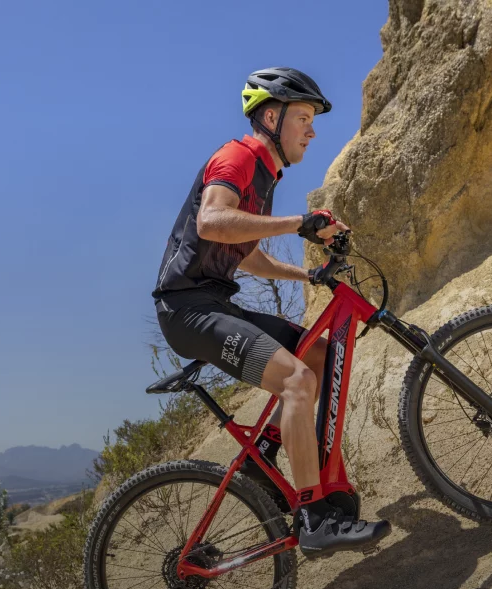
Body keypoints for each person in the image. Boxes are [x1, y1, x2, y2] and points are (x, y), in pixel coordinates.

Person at [153, 67, 390, 558]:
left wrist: (310, 276)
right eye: (302, 117)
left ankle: (262, 459)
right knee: (298, 381)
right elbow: (214, 221)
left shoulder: (265, 175)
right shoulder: (238, 156)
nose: (312, 129)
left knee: (318, 353)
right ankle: (314, 518)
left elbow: (248, 252)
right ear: (269, 116)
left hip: (212, 303)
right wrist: (299, 222)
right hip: (186, 311)